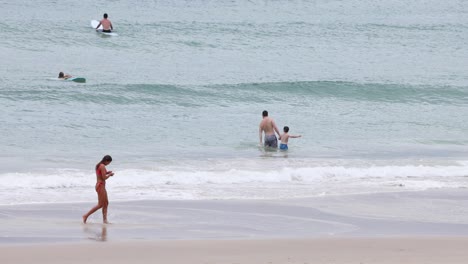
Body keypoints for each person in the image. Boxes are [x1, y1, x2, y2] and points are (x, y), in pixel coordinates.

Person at [83, 155, 114, 224]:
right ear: (106, 161)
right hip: (100, 185)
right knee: (100, 204)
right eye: (109, 163)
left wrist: (107, 172)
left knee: (106, 203)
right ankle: (86, 215)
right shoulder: (102, 166)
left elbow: (101, 174)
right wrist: (109, 175)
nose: (108, 164)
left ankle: (105, 220)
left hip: (100, 185)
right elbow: (104, 178)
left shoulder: (99, 165)